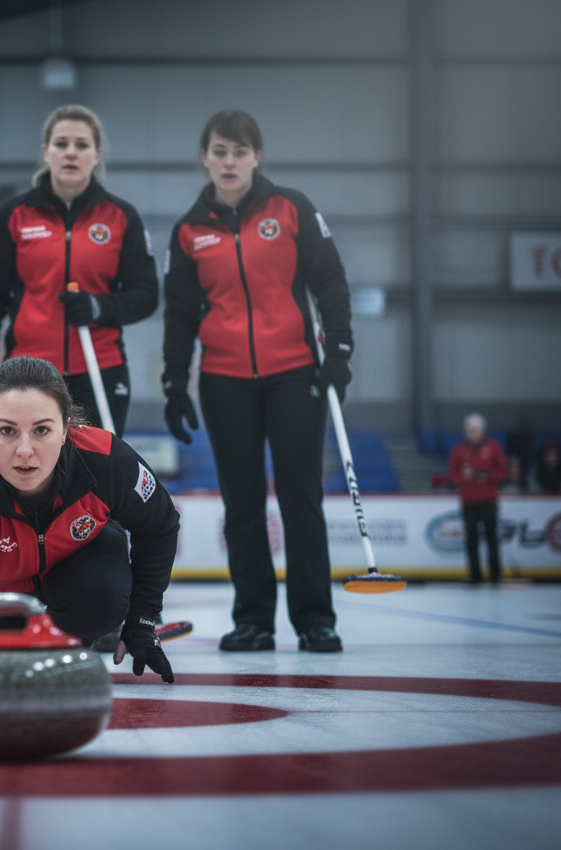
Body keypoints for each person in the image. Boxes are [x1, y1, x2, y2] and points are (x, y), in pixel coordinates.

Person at [160, 109, 352, 653]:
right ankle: (253, 621)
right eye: (219, 151)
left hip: (295, 372)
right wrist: (175, 383)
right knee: (241, 505)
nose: (228, 162)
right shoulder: (189, 231)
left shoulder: (291, 208)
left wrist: (338, 351)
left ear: (257, 157)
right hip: (224, 381)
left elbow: (331, 282)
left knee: (300, 498)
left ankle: (315, 618)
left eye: (239, 152)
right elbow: (179, 314)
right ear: (205, 157)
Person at [0, 356, 177, 682]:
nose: (25, 450)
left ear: (66, 428)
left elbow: (160, 526)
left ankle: (74, 633)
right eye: (7, 431)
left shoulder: (105, 459)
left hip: (81, 578)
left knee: (104, 597)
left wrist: (142, 620)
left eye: (42, 430)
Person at [0, 105, 158, 437]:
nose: (71, 153)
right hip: (29, 373)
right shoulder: (14, 216)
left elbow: (147, 294)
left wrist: (99, 307)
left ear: (97, 154)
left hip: (100, 368)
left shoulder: (121, 217)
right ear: (46, 152)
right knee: (32, 475)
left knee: (96, 477)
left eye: (81, 145)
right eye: (61, 144)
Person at [447, 413, 507, 583]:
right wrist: (465, 477)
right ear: (466, 431)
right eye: (471, 430)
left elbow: (502, 472)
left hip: (489, 500)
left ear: (482, 431)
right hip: (469, 501)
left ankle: (496, 573)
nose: (474, 433)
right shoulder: (459, 450)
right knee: (471, 539)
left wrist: (488, 474)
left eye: (476, 430)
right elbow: (452, 475)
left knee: (491, 537)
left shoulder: (493, 447)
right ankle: (475, 574)